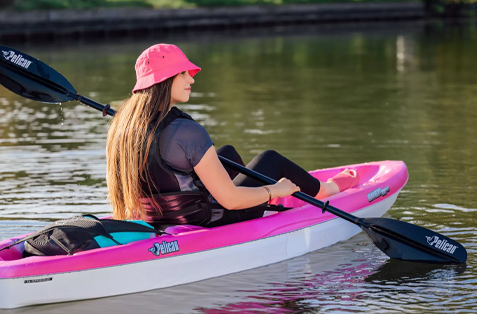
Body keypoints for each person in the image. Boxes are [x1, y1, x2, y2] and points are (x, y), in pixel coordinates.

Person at [106, 44, 359, 228]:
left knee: (226, 155)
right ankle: (326, 189)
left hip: (162, 216)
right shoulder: (187, 132)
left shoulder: (124, 130)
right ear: (164, 80)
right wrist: (275, 189)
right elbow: (230, 200)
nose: (191, 79)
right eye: (183, 73)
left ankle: (259, 190)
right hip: (206, 220)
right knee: (270, 160)